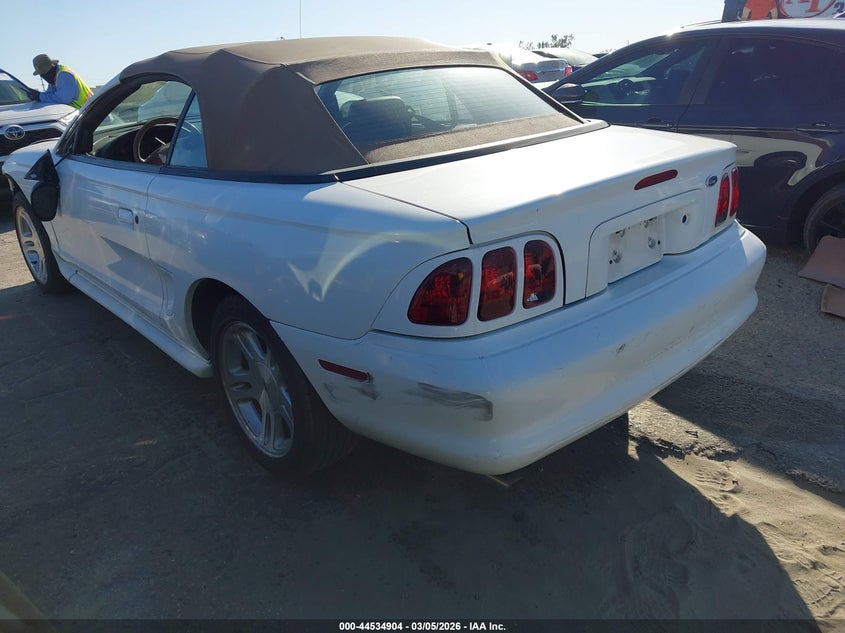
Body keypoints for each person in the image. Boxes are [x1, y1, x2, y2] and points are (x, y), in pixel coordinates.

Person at [26, 53, 92, 109]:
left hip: (88, 112)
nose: (42, 76)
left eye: (43, 73)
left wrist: (39, 96)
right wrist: (37, 95)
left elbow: (63, 99)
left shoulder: (64, 75)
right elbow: (50, 95)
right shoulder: (54, 79)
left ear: (50, 69)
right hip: (82, 112)